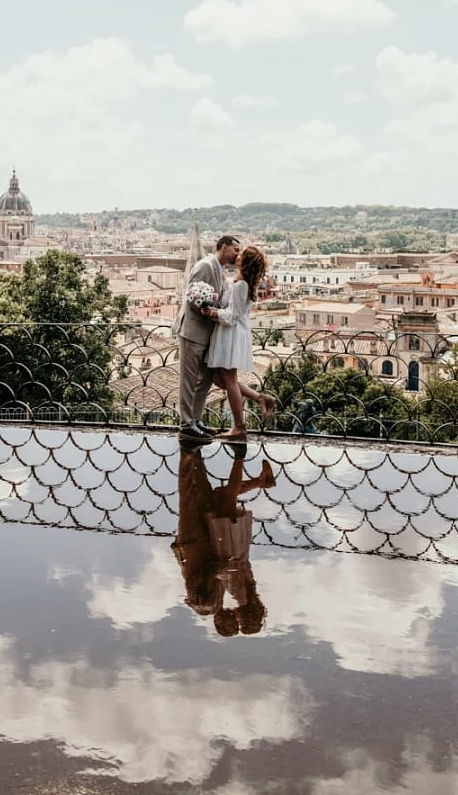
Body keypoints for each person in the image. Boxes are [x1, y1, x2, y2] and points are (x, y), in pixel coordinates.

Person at [171, 442, 275, 638]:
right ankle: (192, 448)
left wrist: (220, 572)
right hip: (199, 546)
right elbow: (211, 572)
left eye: (231, 625)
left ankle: (194, 449)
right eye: (236, 624)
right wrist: (220, 571)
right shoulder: (211, 603)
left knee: (210, 496)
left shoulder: (218, 601)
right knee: (193, 495)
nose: (233, 621)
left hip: (206, 546)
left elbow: (210, 576)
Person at [205, 245, 276, 442]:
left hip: (232, 334)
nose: (238, 255)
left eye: (241, 254)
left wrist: (213, 313)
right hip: (232, 333)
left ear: (245, 262)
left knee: (228, 380)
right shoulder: (240, 283)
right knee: (221, 380)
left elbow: (232, 316)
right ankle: (261, 398)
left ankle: (239, 427)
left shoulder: (241, 285)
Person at [174, 235, 240, 441]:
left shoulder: (219, 271)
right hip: (193, 331)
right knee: (189, 379)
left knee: (205, 379)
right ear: (224, 247)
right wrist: (210, 310)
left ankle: (196, 419)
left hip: (206, 333)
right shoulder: (205, 266)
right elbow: (193, 296)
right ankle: (186, 425)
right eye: (235, 250)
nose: (238, 254)